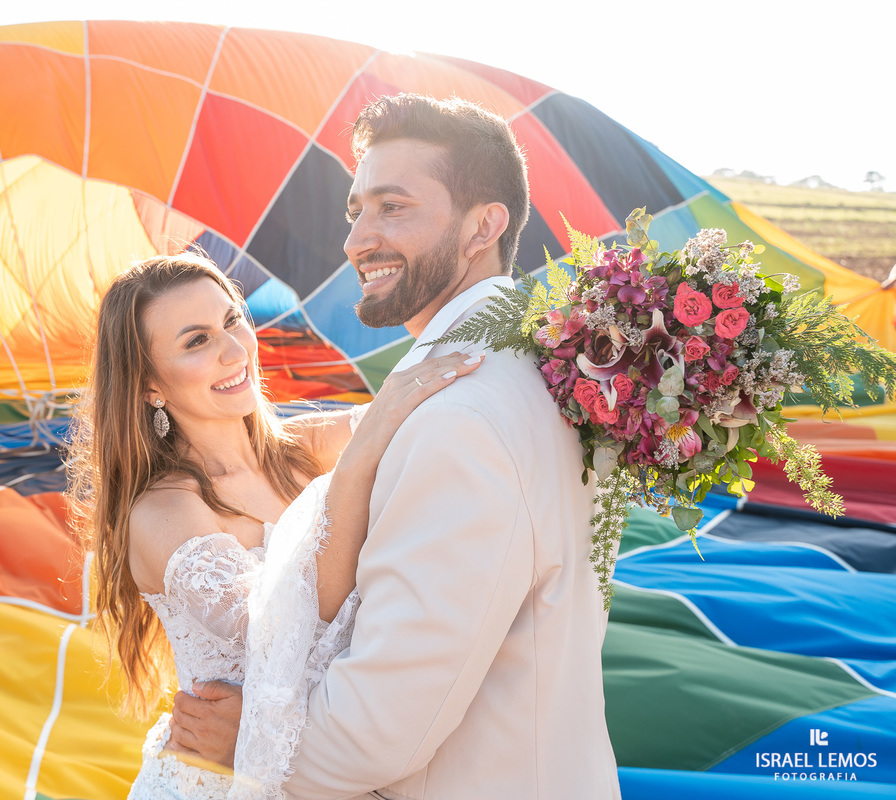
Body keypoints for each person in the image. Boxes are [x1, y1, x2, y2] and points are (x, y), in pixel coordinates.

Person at [167, 94, 622, 798]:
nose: (357, 240)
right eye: (356, 211)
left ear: (483, 227)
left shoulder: (458, 417)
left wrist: (248, 741)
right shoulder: (559, 370)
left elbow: (380, 729)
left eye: (393, 207)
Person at [66, 252, 483, 798]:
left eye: (232, 320)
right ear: (150, 386)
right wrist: (359, 462)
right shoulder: (162, 512)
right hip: (212, 783)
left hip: (332, 764)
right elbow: (283, 631)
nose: (235, 350)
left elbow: (435, 409)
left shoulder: (307, 450)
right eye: (197, 341)